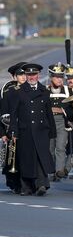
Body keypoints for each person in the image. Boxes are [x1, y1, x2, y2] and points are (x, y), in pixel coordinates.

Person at [8, 64, 56, 196]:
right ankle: (26, 187)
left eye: (34, 74)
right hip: (25, 130)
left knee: (41, 157)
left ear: (38, 75)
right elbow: (13, 114)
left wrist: (52, 130)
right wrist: (13, 132)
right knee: (26, 159)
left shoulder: (44, 91)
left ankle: (41, 184)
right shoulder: (18, 91)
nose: (32, 77)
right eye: (29, 75)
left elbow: (48, 113)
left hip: (41, 130)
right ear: (26, 76)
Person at [1, 62, 27, 194]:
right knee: (12, 158)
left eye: (24, 74)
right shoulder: (9, 91)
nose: (23, 77)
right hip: (12, 129)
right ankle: (13, 182)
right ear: (14, 77)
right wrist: (3, 133)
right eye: (20, 74)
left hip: (27, 129)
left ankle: (25, 183)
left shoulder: (31, 90)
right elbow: (3, 113)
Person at [47, 63, 73, 181]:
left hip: (62, 121)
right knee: (50, 148)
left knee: (61, 146)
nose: (59, 79)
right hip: (48, 122)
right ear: (51, 77)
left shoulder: (69, 91)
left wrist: (62, 110)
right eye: (56, 77)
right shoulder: (45, 90)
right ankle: (50, 172)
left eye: (61, 77)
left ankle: (59, 171)